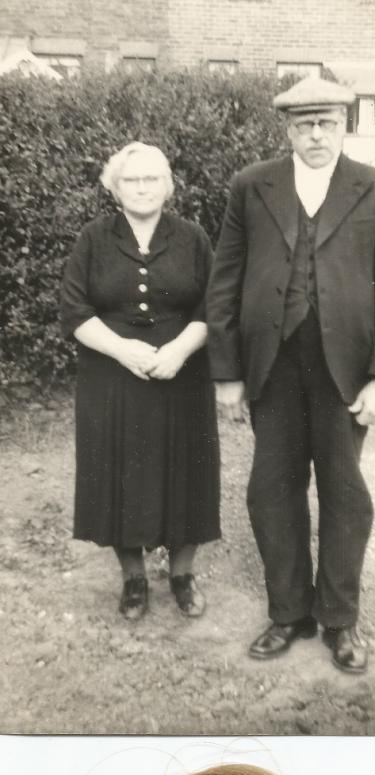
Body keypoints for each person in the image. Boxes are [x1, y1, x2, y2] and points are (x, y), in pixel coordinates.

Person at [207, 77, 375, 673]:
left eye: (326, 123)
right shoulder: (252, 186)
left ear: (344, 124)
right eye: (304, 126)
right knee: (270, 488)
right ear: (288, 130)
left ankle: (340, 621)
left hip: (344, 370)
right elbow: (225, 280)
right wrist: (227, 372)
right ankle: (289, 612)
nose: (316, 135)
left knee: (344, 492)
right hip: (270, 366)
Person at [61, 141, 220, 621]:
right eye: (132, 179)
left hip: (183, 373)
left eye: (153, 178)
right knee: (116, 470)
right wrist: (122, 349)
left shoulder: (193, 238)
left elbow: (213, 307)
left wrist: (178, 351)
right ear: (115, 188)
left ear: (168, 186)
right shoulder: (93, 238)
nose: (143, 187)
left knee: (187, 469)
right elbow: (74, 310)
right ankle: (133, 578)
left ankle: (182, 575)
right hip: (111, 376)